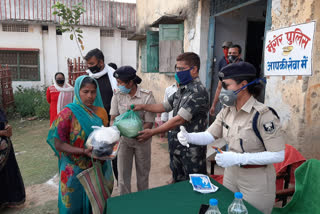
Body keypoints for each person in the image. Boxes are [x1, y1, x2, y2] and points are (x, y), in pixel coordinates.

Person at [177, 62, 285, 214]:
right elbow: (209, 135)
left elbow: (278, 154)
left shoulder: (263, 115)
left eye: (227, 86)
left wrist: (239, 158)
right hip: (231, 175)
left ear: (244, 84)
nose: (222, 91)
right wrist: (189, 137)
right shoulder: (227, 110)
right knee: (226, 209)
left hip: (256, 180)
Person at [133, 52, 209, 183]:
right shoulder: (182, 90)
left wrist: (153, 132)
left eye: (181, 69)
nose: (177, 72)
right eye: (176, 68)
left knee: (194, 187)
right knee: (177, 184)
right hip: (176, 147)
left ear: (194, 69)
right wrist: (142, 106)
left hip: (191, 151)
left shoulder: (198, 92)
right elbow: (164, 106)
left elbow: (179, 119)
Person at [47, 76, 113, 213]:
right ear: (78, 91)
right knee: (73, 207)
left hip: (94, 167)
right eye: (86, 91)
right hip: (73, 171)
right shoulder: (68, 113)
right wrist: (83, 151)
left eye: (93, 92)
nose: (90, 96)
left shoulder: (99, 113)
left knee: (94, 204)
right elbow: (58, 144)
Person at [110, 66, 156, 195]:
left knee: (143, 174)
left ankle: (142, 202)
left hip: (142, 140)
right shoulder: (118, 95)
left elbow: (149, 123)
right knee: (123, 176)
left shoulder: (147, 96)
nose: (118, 85)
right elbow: (113, 118)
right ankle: (125, 203)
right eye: (117, 83)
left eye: (120, 83)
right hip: (124, 141)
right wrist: (117, 130)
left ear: (131, 82)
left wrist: (136, 132)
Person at [84, 48, 119, 182]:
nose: (90, 67)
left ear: (101, 62)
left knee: (115, 156)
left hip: (113, 123)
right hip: (94, 124)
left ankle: (119, 184)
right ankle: (101, 185)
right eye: (88, 64)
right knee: (97, 155)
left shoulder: (114, 77)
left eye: (92, 64)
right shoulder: (88, 79)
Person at [0, 108, 25, 208]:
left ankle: (9, 200)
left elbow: (4, 123)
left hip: (5, 147)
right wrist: (1, 133)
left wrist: (8, 127)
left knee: (8, 173)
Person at [209, 44, 243, 116]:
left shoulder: (244, 70)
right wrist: (213, 105)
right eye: (229, 53)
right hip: (226, 105)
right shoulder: (224, 70)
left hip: (239, 106)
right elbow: (219, 88)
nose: (231, 55)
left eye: (234, 53)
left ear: (239, 55)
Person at [160, 82, 178, 184]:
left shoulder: (193, 89)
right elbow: (164, 107)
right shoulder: (169, 89)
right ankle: (174, 176)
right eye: (177, 70)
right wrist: (163, 125)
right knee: (172, 153)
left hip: (185, 129)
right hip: (171, 127)